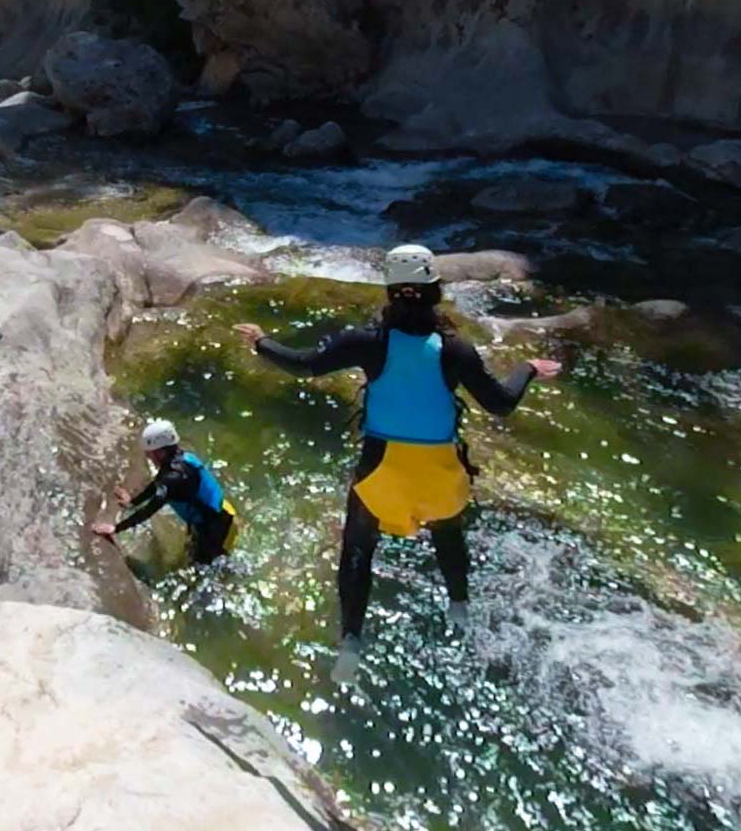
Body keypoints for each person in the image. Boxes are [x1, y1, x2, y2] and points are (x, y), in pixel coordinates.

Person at [234, 244, 561, 684]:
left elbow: (304, 364)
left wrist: (260, 341)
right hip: (440, 471)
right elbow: (500, 404)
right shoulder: (455, 349)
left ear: (390, 292)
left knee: (357, 549)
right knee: (447, 533)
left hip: (382, 468)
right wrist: (527, 368)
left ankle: (351, 640)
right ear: (434, 292)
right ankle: (459, 607)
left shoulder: (367, 342)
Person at [92, 419, 239, 565]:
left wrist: (115, 528)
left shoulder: (174, 478)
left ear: (161, 452)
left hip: (218, 526)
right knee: (190, 554)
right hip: (218, 514)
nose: (148, 457)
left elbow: (149, 510)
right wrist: (132, 502)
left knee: (200, 567)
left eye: (150, 453)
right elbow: (158, 483)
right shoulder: (180, 459)